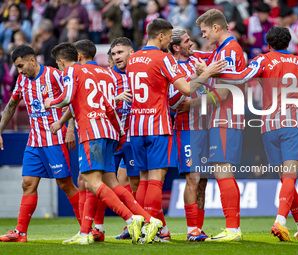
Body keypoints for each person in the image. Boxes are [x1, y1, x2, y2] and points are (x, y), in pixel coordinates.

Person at [45, 42, 161, 245]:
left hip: (91, 131)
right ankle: (150, 221)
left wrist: (51, 101)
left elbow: (68, 97)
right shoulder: (106, 74)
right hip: (109, 131)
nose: (59, 68)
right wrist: (119, 132)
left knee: (90, 181)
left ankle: (131, 218)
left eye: (58, 64)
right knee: (111, 182)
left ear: (63, 61)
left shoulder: (72, 71)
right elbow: (109, 106)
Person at [125, 18, 224, 243]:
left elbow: (221, 70)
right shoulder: (166, 60)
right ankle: (159, 227)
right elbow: (180, 95)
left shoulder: (134, 59)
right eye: (182, 40)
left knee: (150, 179)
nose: (192, 43)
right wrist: (205, 75)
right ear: (166, 39)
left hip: (141, 125)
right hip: (171, 126)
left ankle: (170, 228)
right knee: (163, 179)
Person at [218, 26, 298, 241]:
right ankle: (280, 221)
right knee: (290, 177)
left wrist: (214, 71)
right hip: (293, 122)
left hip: (269, 124)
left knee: (285, 179)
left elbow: (241, 77)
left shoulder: (263, 59)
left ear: (268, 44)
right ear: (289, 43)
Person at [0, 45, 80, 242]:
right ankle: (20, 233)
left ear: (32, 61)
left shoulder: (54, 75)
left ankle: (89, 228)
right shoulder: (22, 80)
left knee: (65, 185)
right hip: (34, 141)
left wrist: (70, 129)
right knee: (27, 183)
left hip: (56, 138)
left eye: (21, 66)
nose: (19, 71)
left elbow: (73, 100)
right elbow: (11, 105)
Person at [193, 9, 247, 242]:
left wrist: (193, 102)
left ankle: (233, 229)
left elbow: (225, 92)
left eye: (204, 31)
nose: (203, 35)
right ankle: (230, 227)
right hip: (219, 118)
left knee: (223, 169)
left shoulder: (230, 51)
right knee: (219, 169)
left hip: (226, 117)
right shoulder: (220, 51)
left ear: (216, 28)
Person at [168, 28, 211, 241]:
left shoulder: (200, 58)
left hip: (207, 127)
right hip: (186, 129)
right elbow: (175, 102)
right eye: (186, 41)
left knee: (203, 180)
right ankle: (191, 229)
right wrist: (200, 76)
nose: (191, 43)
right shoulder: (170, 66)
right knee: (193, 178)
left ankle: (198, 229)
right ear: (176, 46)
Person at [109, 37, 142, 240]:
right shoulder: (108, 76)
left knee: (135, 182)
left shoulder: (139, 73)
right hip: (114, 136)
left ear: (131, 52)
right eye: (113, 54)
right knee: (116, 183)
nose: (117, 57)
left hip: (134, 135)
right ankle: (132, 222)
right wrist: (115, 98)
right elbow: (96, 102)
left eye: (120, 52)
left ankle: (142, 222)